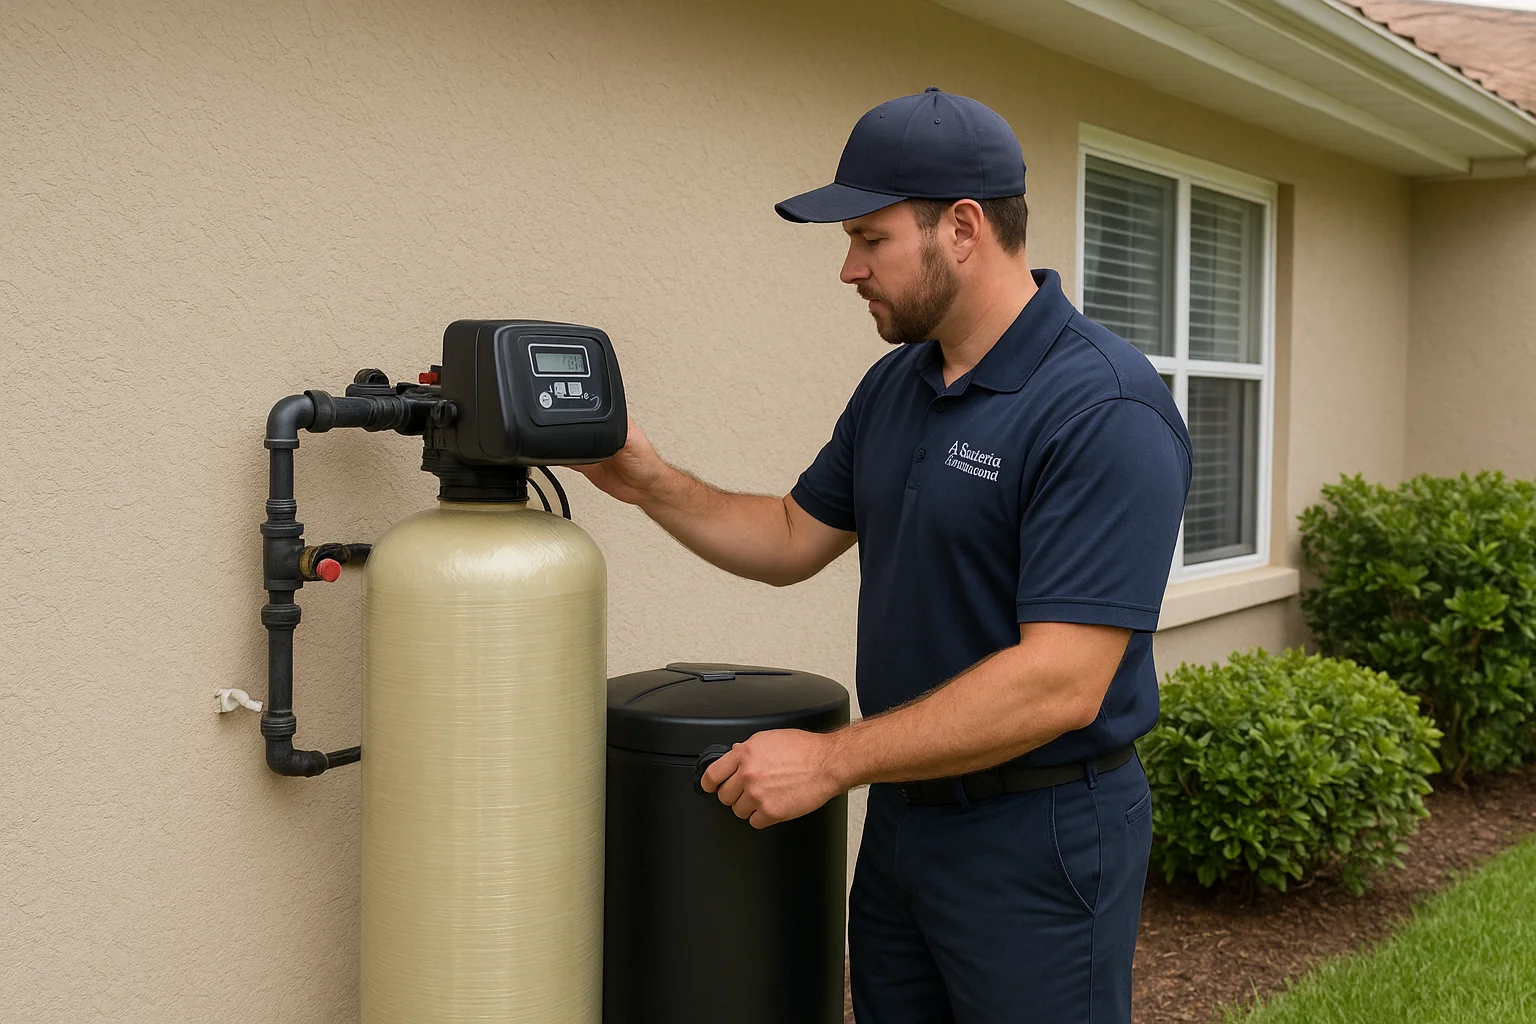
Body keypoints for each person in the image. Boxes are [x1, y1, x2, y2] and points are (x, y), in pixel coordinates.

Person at [575, 87, 1192, 1024]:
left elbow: (1061, 681)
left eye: (870, 238)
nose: (848, 269)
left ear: (963, 227)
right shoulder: (897, 385)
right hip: (906, 817)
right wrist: (649, 480)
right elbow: (791, 537)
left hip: (1042, 834)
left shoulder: (1102, 408)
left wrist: (830, 764)